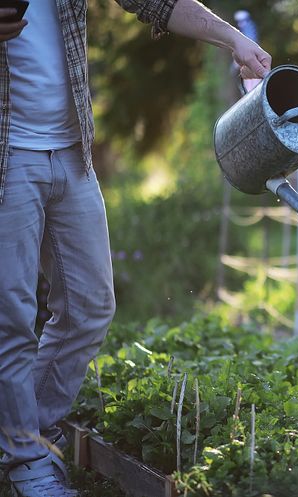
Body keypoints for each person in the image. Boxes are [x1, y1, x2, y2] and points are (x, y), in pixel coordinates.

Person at [0, 0, 271, 495]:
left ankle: (24, 435)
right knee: (11, 317)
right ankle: (26, 461)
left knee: (90, 307)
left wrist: (234, 39)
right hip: (7, 151)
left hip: (70, 146)